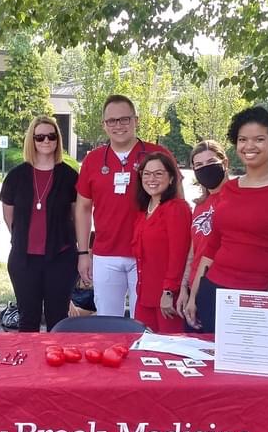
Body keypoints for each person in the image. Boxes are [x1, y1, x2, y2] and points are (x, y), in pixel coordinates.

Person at [185, 106, 268, 340]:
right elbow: (213, 245)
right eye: (243, 139)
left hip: (261, 296)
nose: (249, 146)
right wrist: (194, 295)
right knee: (212, 371)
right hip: (215, 293)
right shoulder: (230, 189)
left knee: (254, 373)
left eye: (259, 139)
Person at [75, 94, 179, 317]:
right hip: (106, 254)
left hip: (148, 255)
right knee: (108, 322)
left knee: (145, 321)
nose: (118, 125)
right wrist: (83, 252)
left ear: (136, 120)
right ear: (104, 125)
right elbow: (83, 208)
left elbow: (177, 202)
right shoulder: (93, 160)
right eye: (112, 121)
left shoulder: (158, 154)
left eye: (125, 119)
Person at [0, 116, 78, 332]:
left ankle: (56, 363)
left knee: (58, 318)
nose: (46, 141)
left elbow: (75, 217)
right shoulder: (16, 176)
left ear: (58, 140)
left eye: (51, 136)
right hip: (24, 260)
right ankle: (30, 365)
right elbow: (9, 218)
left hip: (61, 258)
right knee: (28, 319)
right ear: (31, 140)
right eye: (40, 136)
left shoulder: (70, 176)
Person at [132, 152, 191, 332]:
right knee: (143, 351)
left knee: (168, 350)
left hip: (166, 299)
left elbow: (178, 255)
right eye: (147, 174)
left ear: (171, 178)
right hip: (144, 296)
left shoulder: (176, 209)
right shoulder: (144, 211)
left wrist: (168, 292)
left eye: (158, 173)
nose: (152, 179)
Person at [176, 140, 230, 317]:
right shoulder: (200, 206)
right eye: (198, 165)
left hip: (221, 289)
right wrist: (184, 288)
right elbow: (194, 250)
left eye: (211, 162)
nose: (205, 169)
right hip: (195, 288)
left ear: (225, 163)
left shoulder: (235, 200)